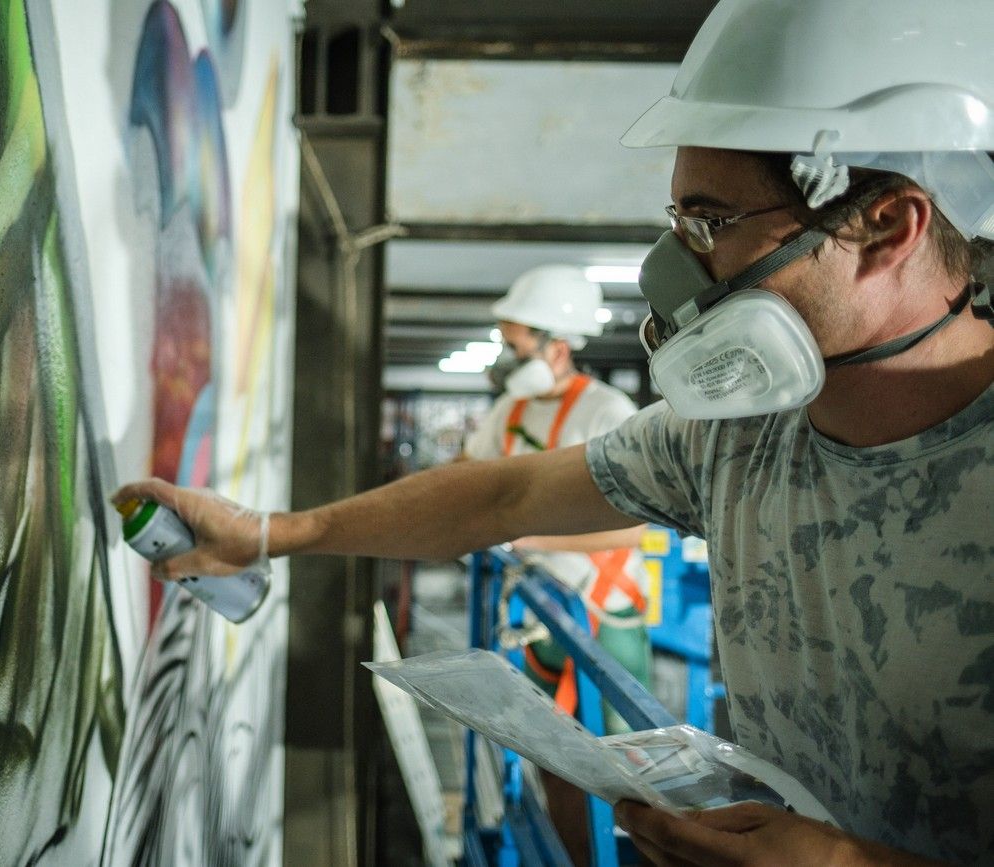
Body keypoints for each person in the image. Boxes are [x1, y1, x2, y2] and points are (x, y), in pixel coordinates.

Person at [115, 0, 994, 862]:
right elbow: (505, 489)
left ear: (886, 227)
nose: (676, 268)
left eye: (709, 223)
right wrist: (272, 533)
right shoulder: (736, 437)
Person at [468, 264, 652, 863]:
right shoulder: (509, 412)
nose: (504, 357)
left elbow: (635, 525)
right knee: (553, 760)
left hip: (597, 616)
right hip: (538, 613)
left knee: (619, 777)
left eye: (514, 344)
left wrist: (531, 539)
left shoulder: (607, 412)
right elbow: (468, 480)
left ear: (559, 345)